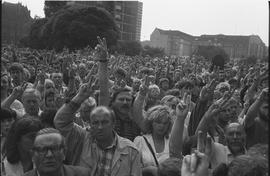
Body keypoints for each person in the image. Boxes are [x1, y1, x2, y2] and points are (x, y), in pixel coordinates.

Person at [54, 36, 142, 176]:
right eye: (95, 122)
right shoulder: (82, 138)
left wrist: (103, 61)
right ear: (89, 122)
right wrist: (80, 97)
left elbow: (104, 95)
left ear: (113, 123)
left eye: (104, 122)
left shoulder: (131, 151)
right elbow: (60, 121)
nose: (100, 126)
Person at [23, 128, 91, 176]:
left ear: (64, 153)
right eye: (42, 150)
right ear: (32, 156)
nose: (49, 155)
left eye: (55, 148)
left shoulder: (83, 174)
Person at [134, 105, 173, 174]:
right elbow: (133, 169)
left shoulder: (172, 141)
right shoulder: (140, 141)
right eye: (158, 122)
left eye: (165, 123)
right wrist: (149, 169)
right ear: (151, 122)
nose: (161, 126)